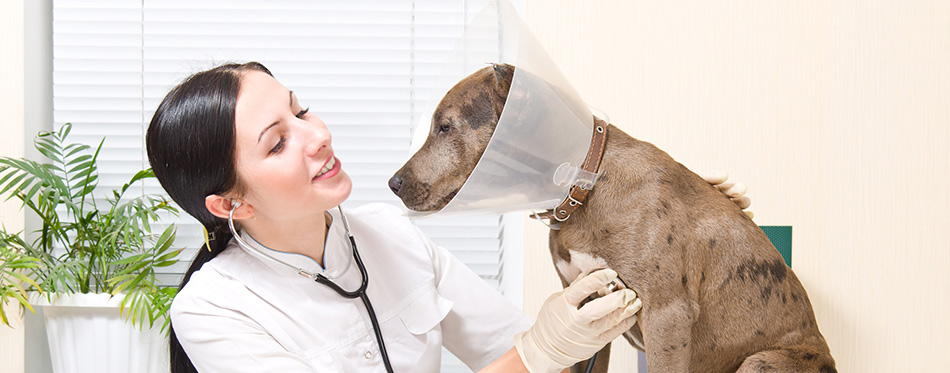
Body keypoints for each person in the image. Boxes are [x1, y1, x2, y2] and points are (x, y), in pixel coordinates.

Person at [146, 62, 749, 373]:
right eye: (278, 142)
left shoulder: (389, 233)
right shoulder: (212, 308)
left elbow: (516, 347)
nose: (318, 136)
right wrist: (536, 352)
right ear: (230, 205)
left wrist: (663, 235)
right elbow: (528, 355)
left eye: (303, 110)